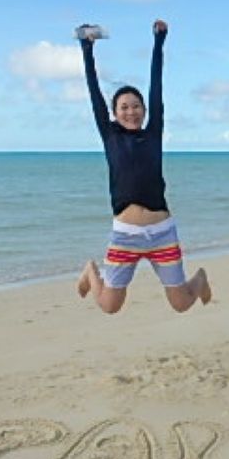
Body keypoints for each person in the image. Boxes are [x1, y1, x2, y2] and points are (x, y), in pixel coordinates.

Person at [76, 19, 211, 314]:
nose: (131, 111)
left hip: (162, 231)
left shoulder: (153, 133)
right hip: (125, 234)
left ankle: (199, 279)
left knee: (181, 304)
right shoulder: (110, 135)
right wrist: (87, 48)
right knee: (110, 305)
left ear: (145, 110)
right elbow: (93, 91)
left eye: (136, 106)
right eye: (124, 107)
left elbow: (156, 85)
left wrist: (159, 42)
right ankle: (90, 271)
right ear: (114, 113)